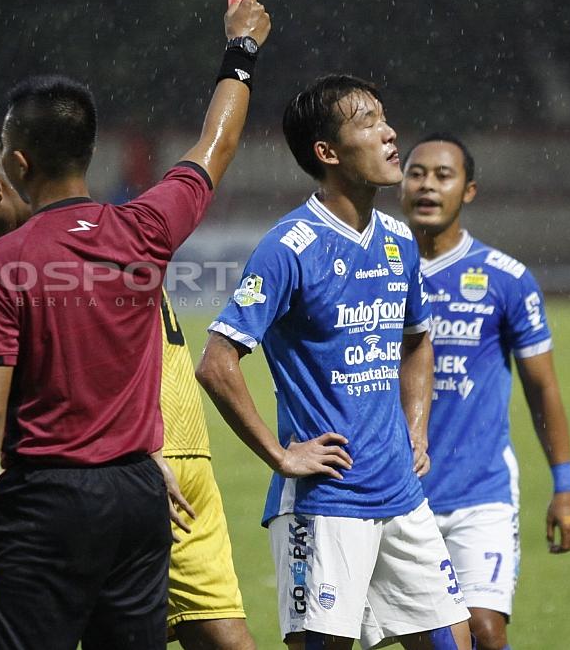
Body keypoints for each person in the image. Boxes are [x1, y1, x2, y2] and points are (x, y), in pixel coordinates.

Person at [0, 0, 270, 650]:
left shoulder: (0, 265)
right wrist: (241, 51)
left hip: (47, 499)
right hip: (140, 495)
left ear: (19, 164)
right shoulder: (144, 228)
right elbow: (218, 141)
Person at [196, 75, 473, 649]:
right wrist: (279, 455)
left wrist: (415, 429)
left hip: (401, 493)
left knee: (455, 642)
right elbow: (216, 362)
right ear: (327, 153)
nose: (389, 132)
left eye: (384, 117)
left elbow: (418, 340)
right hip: (326, 504)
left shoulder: (398, 241)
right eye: (368, 123)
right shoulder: (289, 247)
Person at [399, 133, 570, 650]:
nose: (428, 185)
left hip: (482, 491)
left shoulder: (507, 280)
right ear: (400, 184)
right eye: (416, 173)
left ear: (469, 191)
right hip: (400, 493)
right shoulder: (379, 273)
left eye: (443, 175)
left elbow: (542, 388)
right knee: (429, 640)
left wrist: (564, 485)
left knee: (483, 629)